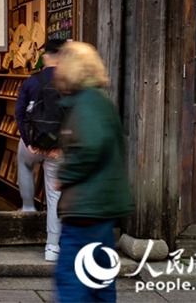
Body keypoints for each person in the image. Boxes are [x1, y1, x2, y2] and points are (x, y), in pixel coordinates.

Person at [52, 42, 134, 303]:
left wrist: (65, 175)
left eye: (61, 63)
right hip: (101, 206)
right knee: (99, 277)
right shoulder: (99, 100)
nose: (56, 69)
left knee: (72, 276)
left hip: (86, 206)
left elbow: (91, 145)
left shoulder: (86, 104)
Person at [15, 38, 66, 262]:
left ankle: (28, 207)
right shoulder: (69, 82)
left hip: (32, 144)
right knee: (55, 195)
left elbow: (19, 113)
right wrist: (61, 146)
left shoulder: (31, 82)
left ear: (46, 57)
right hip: (57, 148)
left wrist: (29, 142)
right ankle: (52, 246)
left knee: (24, 164)